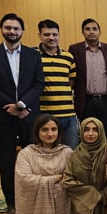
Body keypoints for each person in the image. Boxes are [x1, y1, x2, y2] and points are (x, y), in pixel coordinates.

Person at [0, 12, 45, 214]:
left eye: (16, 29)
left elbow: (39, 84)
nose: (12, 32)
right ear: (2, 29)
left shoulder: (33, 55)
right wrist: (10, 106)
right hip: (2, 116)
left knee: (32, 160)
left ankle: (32, 202)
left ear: (22, 32)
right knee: (6, 162)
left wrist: (21, 105)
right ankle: (12, 204)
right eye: (8, 28)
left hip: (28, 115)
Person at [68, 18, 107, 143]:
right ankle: (87, 162)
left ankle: (104, 161)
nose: (91, 32)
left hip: (106, 101)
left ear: (99, 32)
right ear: (83, 32)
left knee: (105, 134)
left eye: (94, 29)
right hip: (85, 100)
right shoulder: (75, 50)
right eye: (87, 29)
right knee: (86, 135)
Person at [35, 19, 79, 149]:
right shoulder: (33, 56)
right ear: (39, 35)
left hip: (68, 115)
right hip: (45, 115)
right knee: (46, 153)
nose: (51, 38)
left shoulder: (68, 57)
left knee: (70, 154)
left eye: (55, 34)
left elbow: (71, 82)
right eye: (47, 34)